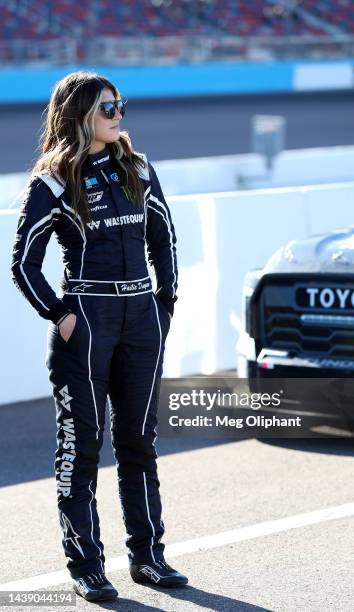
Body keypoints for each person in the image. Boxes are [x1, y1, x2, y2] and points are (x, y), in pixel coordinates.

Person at [10, 71, 188, 602]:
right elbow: (24, 264)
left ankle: (149, 557)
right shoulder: (52, 181)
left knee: (138, 443)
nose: (118, 116)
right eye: (108, 108)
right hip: (86, 322)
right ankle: (86, 565)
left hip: (142, 319)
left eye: (120, 107)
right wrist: (62, 316)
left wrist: (164, 306)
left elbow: (166, 242)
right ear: (81, 112)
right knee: (80, 448)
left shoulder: (138, 167)